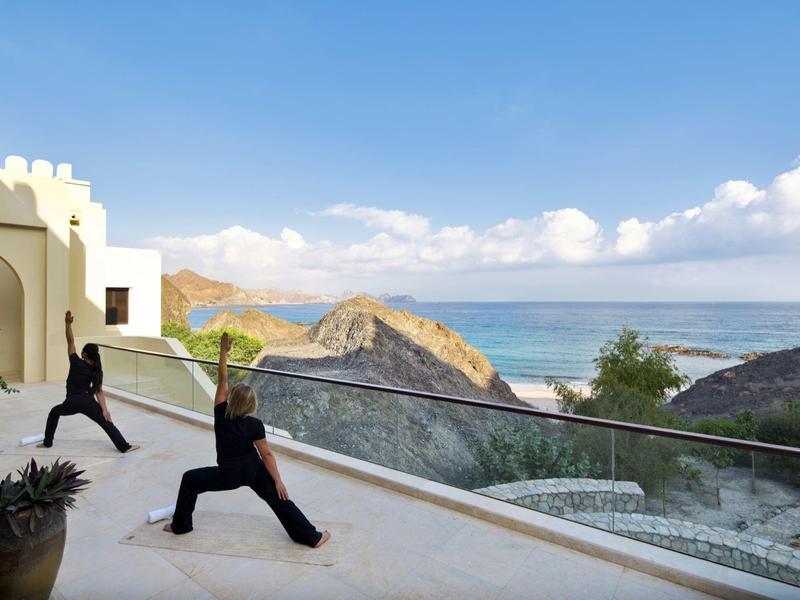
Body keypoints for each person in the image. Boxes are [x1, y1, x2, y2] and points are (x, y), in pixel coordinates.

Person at [164, 332, 331, 548]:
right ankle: (313, 537)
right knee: (280, 500)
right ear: (250, 406)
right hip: (253, 471)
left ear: (231, 399)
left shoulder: (221, 412)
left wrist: (223, 352)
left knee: (189, 480)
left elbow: (222, 378)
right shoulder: (255, 425)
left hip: (228, 475)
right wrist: (278, 481)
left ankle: (181, 526)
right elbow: (266, 454)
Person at [38, 311, 140, 453]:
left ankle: (47, 443)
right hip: (87, 402)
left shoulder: (75, 361)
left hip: (71, 402)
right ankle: (125, 447)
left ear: (84, 354)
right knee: (106, 422)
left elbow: (70, 341)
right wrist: (105, 410)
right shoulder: (96, 370)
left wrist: (67, 323)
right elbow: (99, 391)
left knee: (54, 413)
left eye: (83, 351)